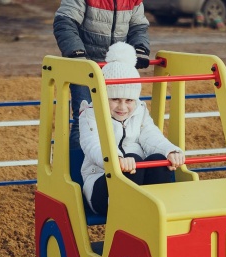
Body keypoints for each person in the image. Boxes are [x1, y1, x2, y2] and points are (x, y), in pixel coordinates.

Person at [79, 42, 185, 216]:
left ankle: (159, 214)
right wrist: (117, 160)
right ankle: (133, 218)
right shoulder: (90, 115)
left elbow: (151, 136)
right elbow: (93, 145)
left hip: (138, 179)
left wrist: (170, 151)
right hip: (102, 185)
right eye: (115, 99)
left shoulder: (140, 111)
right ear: (103, 96)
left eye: (129, 100)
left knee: (158, 160)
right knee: (133, 159)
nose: (122, 107)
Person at [53, 0, 150, 150]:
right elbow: (64, 22)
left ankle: (114, 166)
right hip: (86, 68)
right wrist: (76, 53)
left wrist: (140, 48)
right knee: (84, 120)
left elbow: (138, 27)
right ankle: (76, 170)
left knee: (121, 118)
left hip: (117, 68)